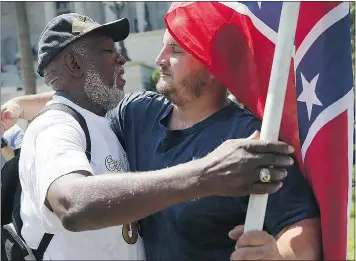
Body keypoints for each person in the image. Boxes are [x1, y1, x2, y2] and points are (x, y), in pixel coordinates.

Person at [0, 13, 294, 260]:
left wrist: (22, 105)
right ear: (75, 65)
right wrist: (207, 174)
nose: (122, 59)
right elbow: (72, 204)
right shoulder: (56, 128)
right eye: (108, 51)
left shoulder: (115, 120)